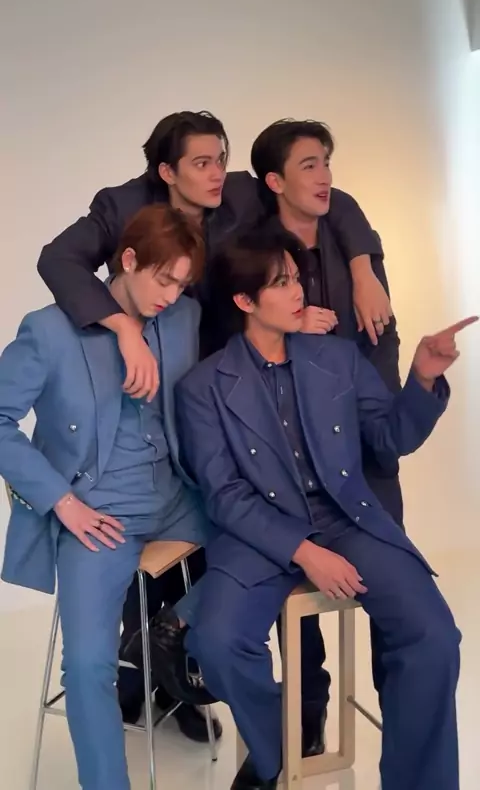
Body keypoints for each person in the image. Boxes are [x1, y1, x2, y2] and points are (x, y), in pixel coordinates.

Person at [35, 109, 392, 737]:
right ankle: (140, 674)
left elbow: (326, 196)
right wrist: (123, 329)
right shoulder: (122, 206)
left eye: (221, 158)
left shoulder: (243, 193)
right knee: (144, 535)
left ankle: (221, 682)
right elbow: (58, 260)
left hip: (233, 391)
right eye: (201, 162)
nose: (217, 172)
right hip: (149, 392)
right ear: (165, 171)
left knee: (239, 526)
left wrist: (362, 268)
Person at [175, 224, 475, 790]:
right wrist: (304, 552)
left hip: (347, 519)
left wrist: (422, 379)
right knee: (216, 642)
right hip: (259, 534)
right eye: (281, 283)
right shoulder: (202, 387)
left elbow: (387, 440)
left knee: (434, 637)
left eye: (296, 278)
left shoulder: (337, 358)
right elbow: (224, 495)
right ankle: (276, 755)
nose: (298, 292)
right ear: (244, 301)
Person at [0, 206, 211, 790]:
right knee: (88, 665)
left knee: (270, 544)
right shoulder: (49, 330)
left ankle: (163, 631)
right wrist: (61, 502)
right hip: (98, 516)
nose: (171, 296)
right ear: (128, 260)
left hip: (177, 498)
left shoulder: (184, 319)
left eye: (182, 284)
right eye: (163, 280)